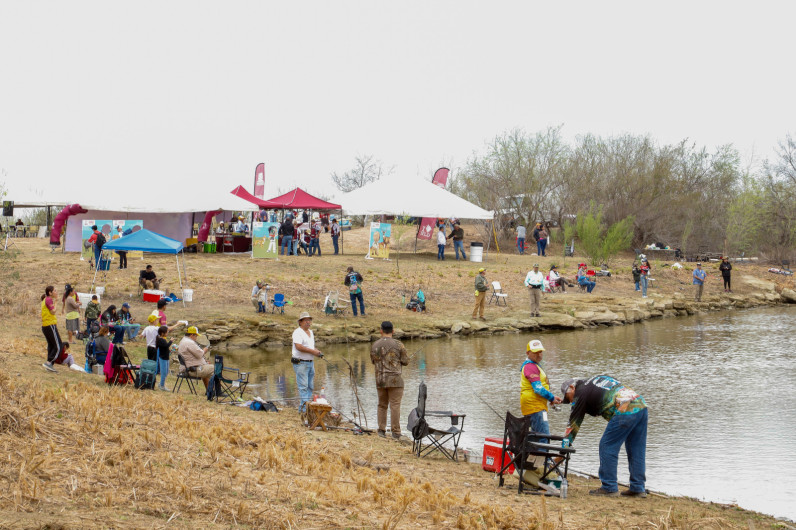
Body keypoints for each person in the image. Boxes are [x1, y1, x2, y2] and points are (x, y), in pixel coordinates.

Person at [561, 375, 648, 497]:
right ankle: (638, 488)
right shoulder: (595, 381)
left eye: (567, 398)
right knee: (636, 448)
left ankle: (609, 487)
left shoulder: (580, 394)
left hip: (625, 408)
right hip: (641, 405)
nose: (571, 402)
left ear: (571, 388)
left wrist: (562, 451)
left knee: (607, 445)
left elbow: (572, 427)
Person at [371, 321, 409, 439]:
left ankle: (381, 430)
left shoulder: (375, 345)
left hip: (380, 380)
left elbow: (373, 361)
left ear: (381, 330)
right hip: (395, 380)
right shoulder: (399, 344)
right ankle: (396, 432)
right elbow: (406, 361)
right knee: (395, 405)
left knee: (382, 405)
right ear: (393, 331)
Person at [521, 340, 563, 448]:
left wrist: (550, 398)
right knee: (544, 437)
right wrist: (551, 397)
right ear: (528, 353)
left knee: (537, 436)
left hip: (537, 406)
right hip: (535, 407)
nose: (539, 355)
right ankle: (543, 462)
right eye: (535, 352)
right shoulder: (530, 366)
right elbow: (538, 388)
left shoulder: (534, 365)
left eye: (540, 352)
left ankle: (536, 462)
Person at [291, 312, 323, 413]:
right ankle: (304, 409)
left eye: (309, 320)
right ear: (300, 322)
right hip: (300, 363)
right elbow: (299, 347)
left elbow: (310, 347)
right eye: (306, 320)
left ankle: (305, 407)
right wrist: (313, 352)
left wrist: (317, 352)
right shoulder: (297, 332)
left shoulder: (311, 332)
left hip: (310, 362)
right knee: (303, 386)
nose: (308, 322)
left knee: (310, 386)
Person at [41, 285, 63, 373]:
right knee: (58, 346)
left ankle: (49, 364)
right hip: (50, 325)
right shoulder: (49, 299)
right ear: (50, 293)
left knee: (51, 345)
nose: (56, 292)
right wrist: (57, 301)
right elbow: (53, 311)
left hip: (45, 325)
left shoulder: (45, 300)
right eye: (55, 291)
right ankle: (49, 362)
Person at [156, 325, 173, 390]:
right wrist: (171, 341)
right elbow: (166, 346)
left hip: (166, 358)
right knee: (163, 373)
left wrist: (169, 350)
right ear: (163, 333)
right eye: (167, 332)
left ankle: (160, 384)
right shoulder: (161, 340)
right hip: (163, 358)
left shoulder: (163, 339)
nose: (167, 333)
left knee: (166, 372)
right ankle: (162, 386)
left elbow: (165, 347)